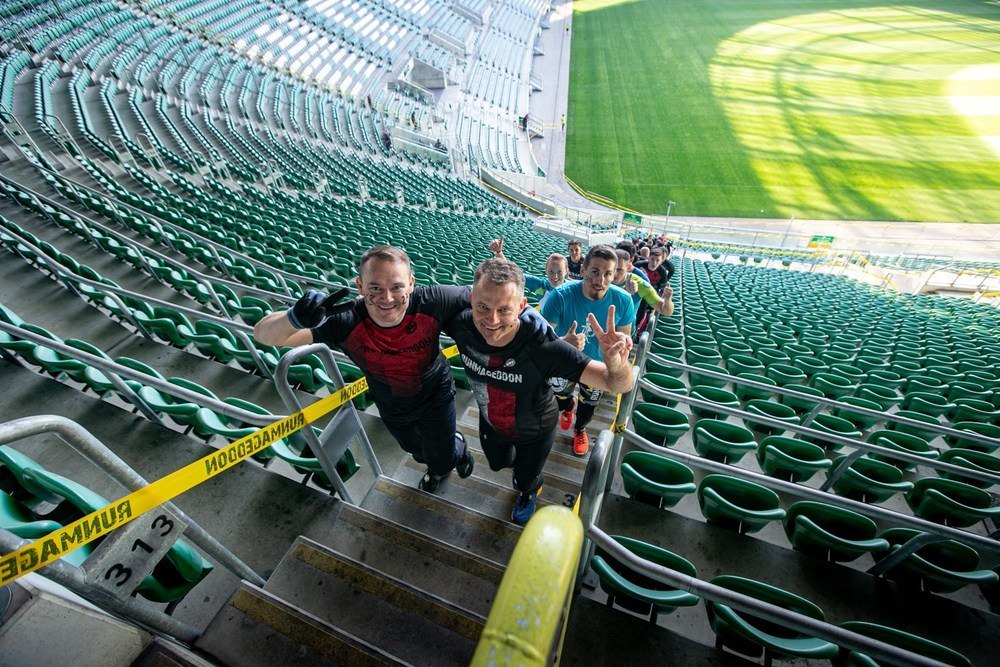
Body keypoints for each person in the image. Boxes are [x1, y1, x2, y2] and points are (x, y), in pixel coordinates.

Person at [253, 245, 474, 493]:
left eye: (397, 287)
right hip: (390, 402)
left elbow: (487, 296)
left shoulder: (434, 300)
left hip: (436, 393)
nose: (387, 298)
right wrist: (293, 319)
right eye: (375, 288)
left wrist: (523, 314)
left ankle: (455, 452)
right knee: (414, 449)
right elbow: (263, 334)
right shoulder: (344, 320)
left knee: (441, 457)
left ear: (411, 283)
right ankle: (435, 460)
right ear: (360, 286)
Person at [445, 258, 633, 522]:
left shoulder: (543, 346)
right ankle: (520, 470)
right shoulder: (461, 325)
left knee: (524, 478)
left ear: (522, 307)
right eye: (483, 307)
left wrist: (617, 365)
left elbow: (620, 384)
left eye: (504, 310)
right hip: (492, 422)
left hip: (536, 429)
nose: (492, 320)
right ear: (471, 299)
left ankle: (529, 490)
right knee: (497, 463)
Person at [541, 245, 636, 456]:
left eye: (608, 274)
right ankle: (567, 408)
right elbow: (542, 342)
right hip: (564, 361)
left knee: (588, 406)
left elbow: (624, 337)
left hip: (597, 366)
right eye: (595, 272)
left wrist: (620, 347)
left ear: (615, 275)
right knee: (561, 397)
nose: (600, 280)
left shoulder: (623, 301)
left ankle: (580, 428)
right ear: (583, 271)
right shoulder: (560, 296)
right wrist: (563, 342)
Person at [489, 236, 570, 308]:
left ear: (566, 271)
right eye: (551, 271)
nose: (555, 276)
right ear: (546, 269)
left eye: (559, 272)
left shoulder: (574, 289)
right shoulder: (540, 285)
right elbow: (511, 273)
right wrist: (498, 252)